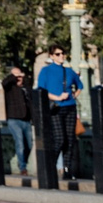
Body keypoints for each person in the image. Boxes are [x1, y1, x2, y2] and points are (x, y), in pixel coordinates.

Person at [35, 49, 83, 182]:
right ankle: (50, 165)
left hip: (70, 108)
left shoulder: (69, 71)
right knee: (60, 138)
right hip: (55, 108)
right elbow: (41, 91)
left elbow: (80, 85)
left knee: (70, 139)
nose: (61, 56)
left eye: (62, 54)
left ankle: (67, 169)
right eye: (57, 54)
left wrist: (73, 95)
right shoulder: (46, 71)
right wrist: (57, 97)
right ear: (51, 56)